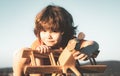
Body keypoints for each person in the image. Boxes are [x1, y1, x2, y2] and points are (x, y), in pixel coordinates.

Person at [13, 5, 99, 76]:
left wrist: (87, 50)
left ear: (63, 31)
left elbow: (93, 44)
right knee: (23, 52)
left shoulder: (69, 41)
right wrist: (39, 50)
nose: (48, 36)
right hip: (38, 72)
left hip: (60, 71)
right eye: (44, 31)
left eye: (54, 31)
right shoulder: (39, 43)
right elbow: (31, 58)